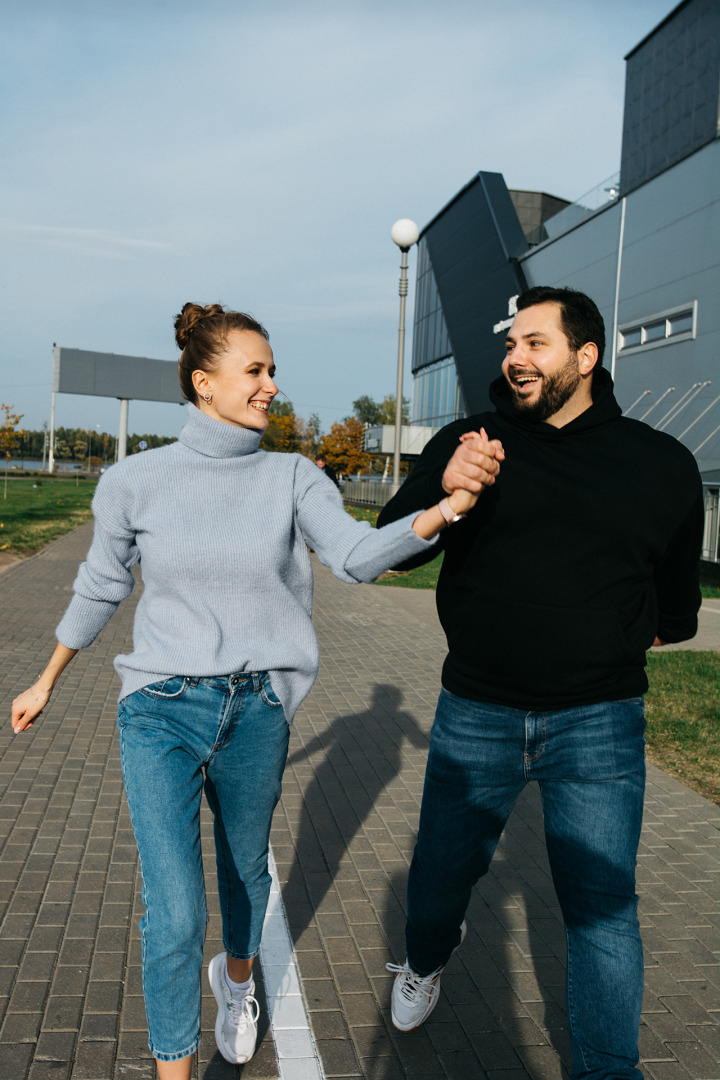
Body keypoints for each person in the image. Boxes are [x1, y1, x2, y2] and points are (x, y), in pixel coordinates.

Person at [11, 302, 501, 1080]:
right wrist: (45, 680)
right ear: (205, 384)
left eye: (273, 370)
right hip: (159, 711)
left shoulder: (293, 476)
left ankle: (236, 985)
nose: (272, 385)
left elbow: (359, 558)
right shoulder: (133, 480)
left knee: (245, 874)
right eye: (256, 371)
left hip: (256, 710)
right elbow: (100, 588)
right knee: (173, 914)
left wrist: (447, 507)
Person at [378, 286, 703, 1080]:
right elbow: (389, 550)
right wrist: (451, 493)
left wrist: (602, 643)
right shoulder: (471, 440)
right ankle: (425, 959)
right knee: (437, 886)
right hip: (476, 713)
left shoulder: (661, 463)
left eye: (536, 343)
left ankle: (606, 1069)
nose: (515, 358)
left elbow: (675, 609)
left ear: (586, 358)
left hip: (599, 724)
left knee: (603, 913)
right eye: (511, 344)